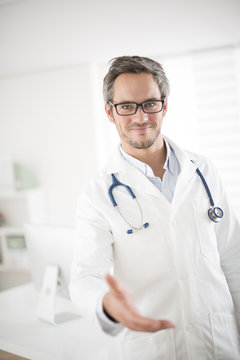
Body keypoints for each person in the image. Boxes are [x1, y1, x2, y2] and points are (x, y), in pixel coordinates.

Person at [69, 56, 240, 359]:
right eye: (127, 106)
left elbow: (233, 259)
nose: (140, 117)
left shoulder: (203, 170)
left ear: (164, 105)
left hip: (220, 341)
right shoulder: (97, 195)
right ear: (110, 112)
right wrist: (108, 304)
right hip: (154, 347)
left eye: (150, 103)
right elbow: (85, 277)